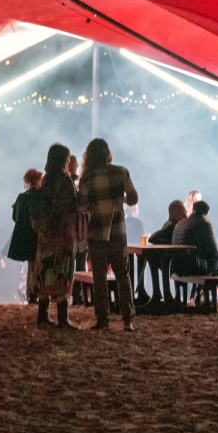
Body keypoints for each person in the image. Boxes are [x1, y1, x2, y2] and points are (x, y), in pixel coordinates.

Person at [76, 137, 139, 331]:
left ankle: (102, 320)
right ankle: (128, 319)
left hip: (96, 232)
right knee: (123, 276)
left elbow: (82, 207)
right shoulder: (121, 172)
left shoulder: (86, 178)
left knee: (100, 277)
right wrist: (120, 200)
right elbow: (134, 198)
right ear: (107, 154)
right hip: (118, 231)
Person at [29, 144, 81, 328]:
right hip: (63, 235)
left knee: (45, 273)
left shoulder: (47, 179)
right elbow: (71, 207)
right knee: (63, 275)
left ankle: (42, 315)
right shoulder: (65, 181)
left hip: (46, 237)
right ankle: (63, 318)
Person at [8, 169, 43, 302]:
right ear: (38, 180)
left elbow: (14, 216)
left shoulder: (21, 197)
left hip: (24, 236)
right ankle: (35, 293)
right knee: (37, 265)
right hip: (37, 235)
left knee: (31, 265)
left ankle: (31, 294)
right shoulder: (40, 196)